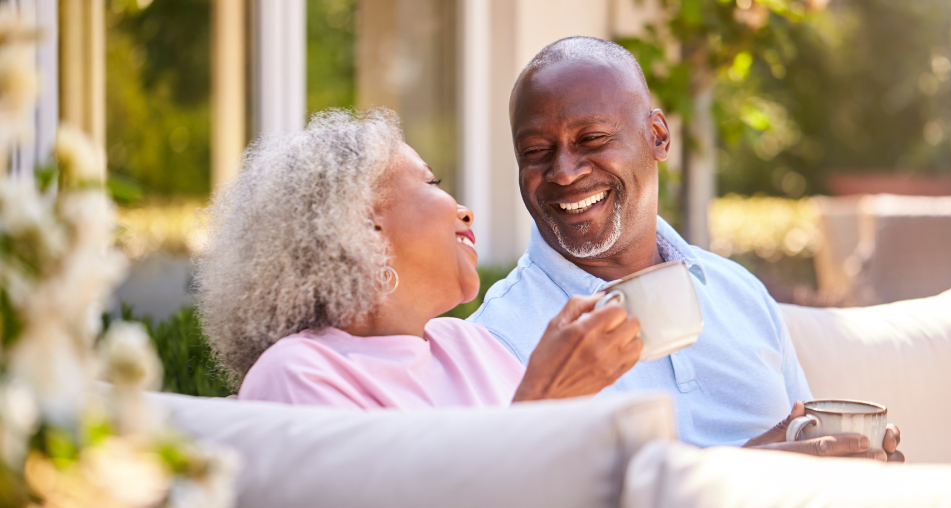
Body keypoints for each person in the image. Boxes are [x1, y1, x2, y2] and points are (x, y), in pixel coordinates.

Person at [467, 36, 904, 461]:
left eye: (593, 139)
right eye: (536, 151)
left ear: (657, 136)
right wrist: (743, 475)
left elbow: (805, 440)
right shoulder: (499, 337)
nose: (563, 172)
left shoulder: (738, 292)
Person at [196, 109, 642, 409]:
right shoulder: (298, 374)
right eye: (431, 182)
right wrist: (544, 401)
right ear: (362, 226)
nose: (464, 210)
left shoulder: (474, 346)